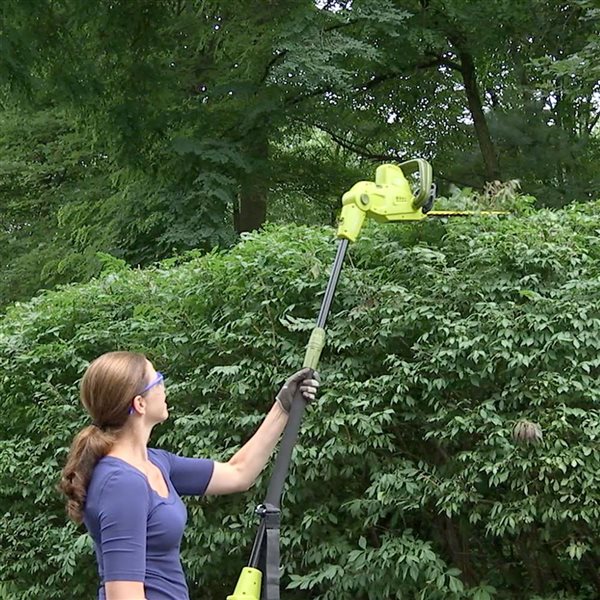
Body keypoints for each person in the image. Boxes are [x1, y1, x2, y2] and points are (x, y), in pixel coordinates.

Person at [58, 350, 319, 600]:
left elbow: (239, 472)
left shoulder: (156, 463)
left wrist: (283, 406)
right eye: (157, 379)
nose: (164, 385)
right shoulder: (122, 484)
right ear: (139, 404)